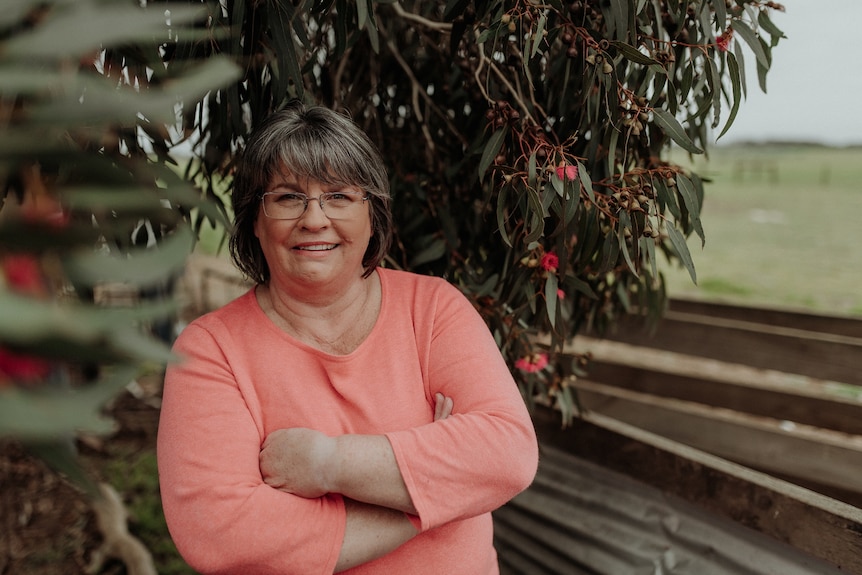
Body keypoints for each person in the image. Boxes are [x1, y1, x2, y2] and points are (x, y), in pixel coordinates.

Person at [157, 101, 539, 574]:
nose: (314, 219)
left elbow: (507, 454)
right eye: (287, 197)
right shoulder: (210, 352)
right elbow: (222, 534)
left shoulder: (433, 308)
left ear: (372, 212)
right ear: (254, 220)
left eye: (338, 195)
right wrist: (430, 497)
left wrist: (325, 464)